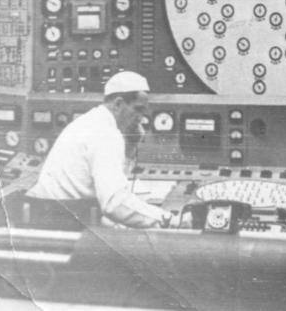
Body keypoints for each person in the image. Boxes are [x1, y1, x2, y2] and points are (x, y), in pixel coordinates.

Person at [26, 71, 176, 229]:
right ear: (118, 104)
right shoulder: (107, 134)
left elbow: (113, 186)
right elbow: (114, 204)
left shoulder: (93, 120)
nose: (141, 118)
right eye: (138, 109)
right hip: (59, 223)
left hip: (51, 214)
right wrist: (168, 219)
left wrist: (130, 146)